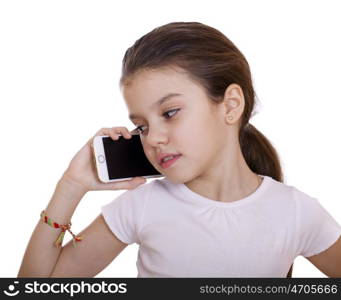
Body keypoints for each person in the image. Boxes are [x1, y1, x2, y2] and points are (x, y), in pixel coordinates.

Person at [18, 22, 341, 278]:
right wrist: (70, 187)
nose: (152, 139)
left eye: (170, 113)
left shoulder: (296, 212)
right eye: (141, 126)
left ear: (230, 105)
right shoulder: (141, 206)